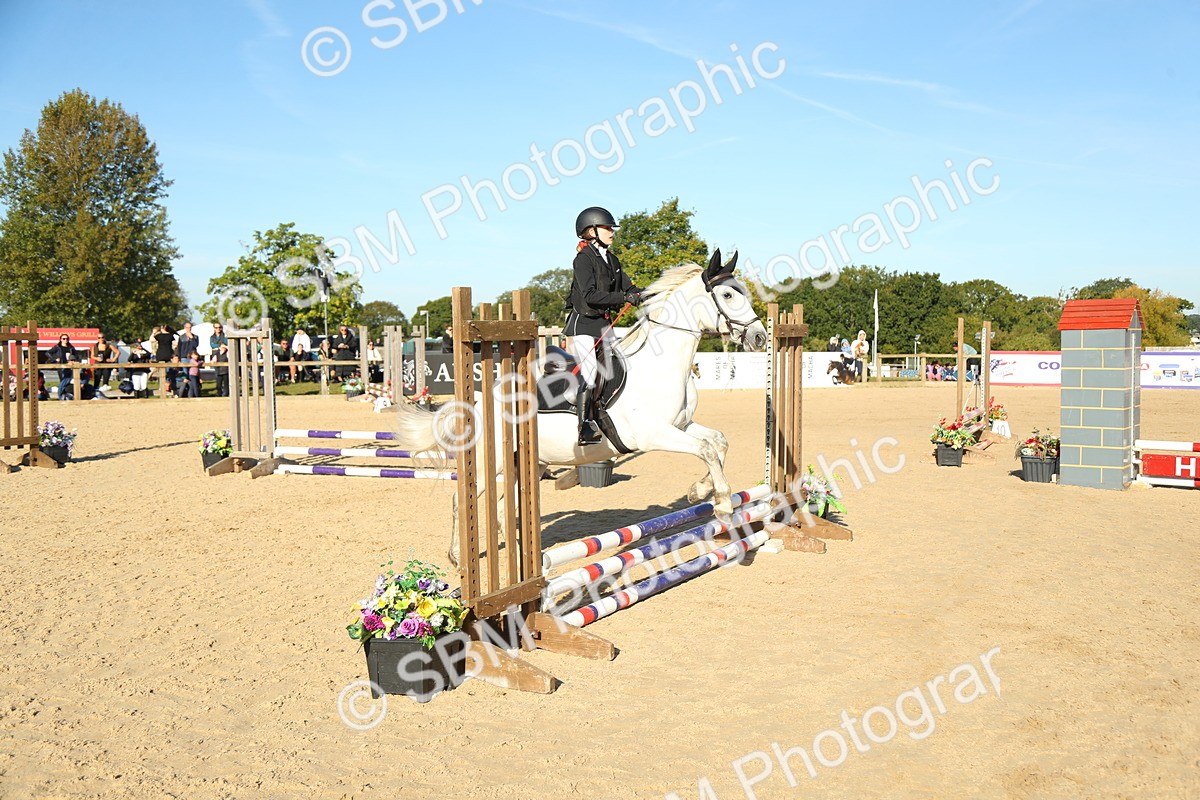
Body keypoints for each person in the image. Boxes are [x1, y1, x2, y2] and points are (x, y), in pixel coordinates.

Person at [563, 206, 642, 445]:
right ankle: (584, 427)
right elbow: (590, 296)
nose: (612, 232)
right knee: (590, 374)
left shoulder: (612, 260)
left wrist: (646, 294)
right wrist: (624, 299)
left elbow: (628, 289)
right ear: (591, 230)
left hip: (603, 326)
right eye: (608, 228)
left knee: (618, 367)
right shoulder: (583, 260)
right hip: (583, 326)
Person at [48, 334, 82, 400]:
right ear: (61, 339)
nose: (65, 340)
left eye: (67, 339)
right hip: (61, 366)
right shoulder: (57, 347)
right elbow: (48, 353)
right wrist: (55, 358)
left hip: (70, 366)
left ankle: (67, 395)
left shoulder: (71, 347)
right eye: (64, 339)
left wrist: (74, 361)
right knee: (63, 381)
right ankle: (61, 396)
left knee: (69, 381)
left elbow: (77, 355)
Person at [209, 323, 229, 397]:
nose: (218, 329)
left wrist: (219, 346)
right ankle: (219, 392)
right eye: (216, 327)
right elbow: (212, 345)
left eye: (219, 327)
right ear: (214, 328)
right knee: (217, 375)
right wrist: (221, 345)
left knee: (226, 376)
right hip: (216, 355)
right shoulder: (212, 337)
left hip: (224, 355)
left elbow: (226, 343)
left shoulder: (224, 336)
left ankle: (226, 392)